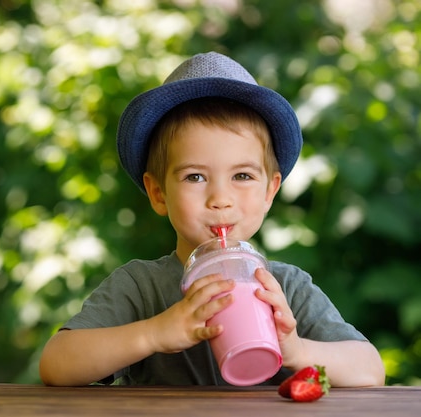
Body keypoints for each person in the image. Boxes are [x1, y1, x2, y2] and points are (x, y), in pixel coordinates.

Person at [39, 51, 385, 387]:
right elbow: (56, 364)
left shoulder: (286, 288)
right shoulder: (140, 288)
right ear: (158, 193)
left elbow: (371, 370)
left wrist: (296, 349)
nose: (220, 199)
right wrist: (154, 333)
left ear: (270, 191)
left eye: (243, 176)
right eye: (195, 177)